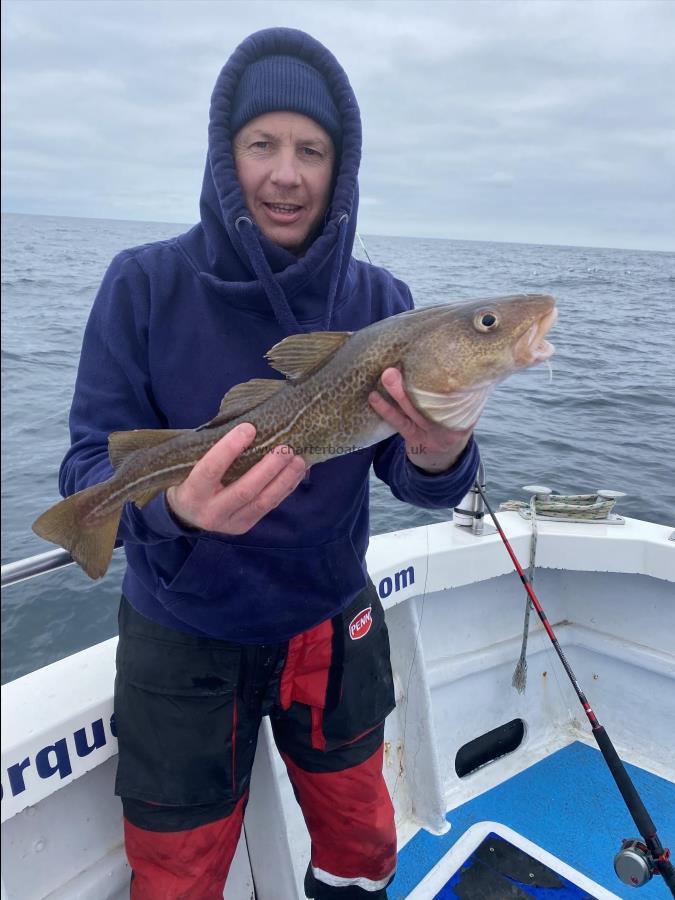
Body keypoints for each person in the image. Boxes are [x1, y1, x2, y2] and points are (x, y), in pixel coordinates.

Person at [60, 26, 481, 900]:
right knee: (174, 877)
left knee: (365, 845)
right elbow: (84, 473)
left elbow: (414, 480)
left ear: (340, 168)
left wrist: (442, 453)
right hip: (180, 635)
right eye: (262, 145)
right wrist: (174, 513)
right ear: (227, 156)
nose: (285, 173)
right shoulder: (142, 283)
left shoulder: (382, 304)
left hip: (328, 622)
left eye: (311, 150)